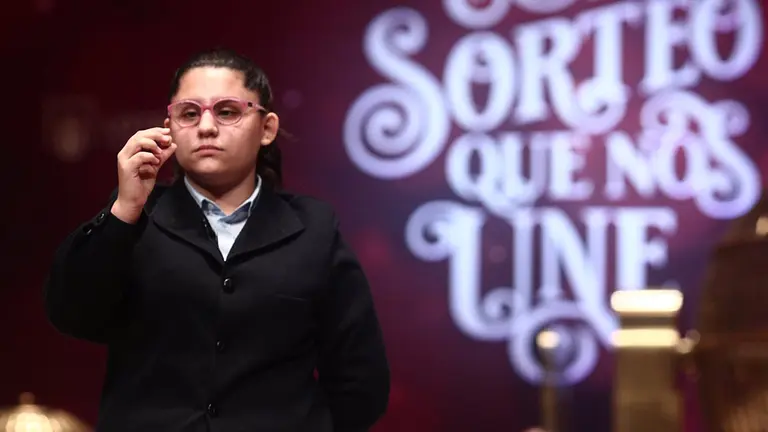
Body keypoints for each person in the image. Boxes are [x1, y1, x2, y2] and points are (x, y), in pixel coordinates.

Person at [43, 48, 390, 432]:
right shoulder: (135, 217)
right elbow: (71, 314)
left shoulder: (315, 229)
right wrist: (125, 210)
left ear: (267, 128)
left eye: (227, 111)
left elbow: (361, 380)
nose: (206, 127)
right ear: (170, 126)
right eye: (189, 113)